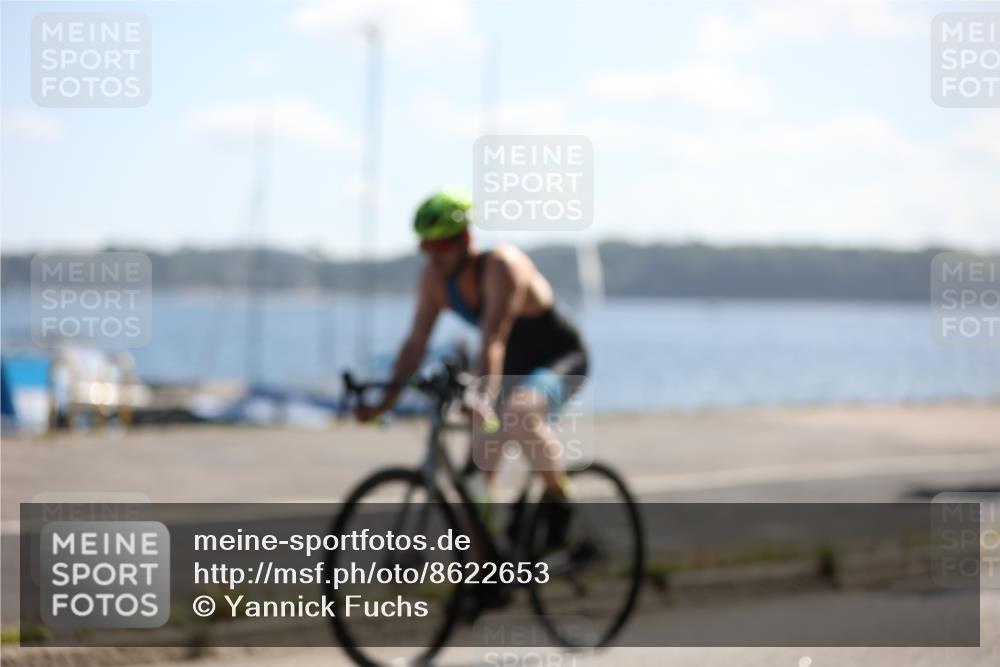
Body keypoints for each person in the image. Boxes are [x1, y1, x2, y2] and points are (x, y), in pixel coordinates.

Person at [354, 189, 588, 507]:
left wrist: (482, 398)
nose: (432, 256)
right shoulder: (433, 279)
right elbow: (415, 343)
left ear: (464, 239)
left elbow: (493, 338)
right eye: (425, 246)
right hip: (507, 364)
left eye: (439, 245)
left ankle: (561, 502)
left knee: (518, 414)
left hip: (557, 356)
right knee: (474, 488)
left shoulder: (501, 267)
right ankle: (489, 551)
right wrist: (385, 401)